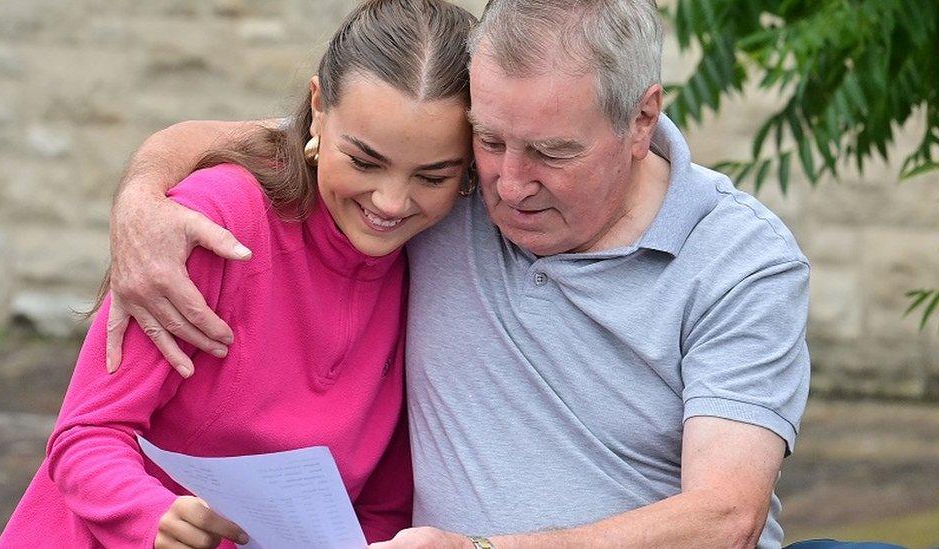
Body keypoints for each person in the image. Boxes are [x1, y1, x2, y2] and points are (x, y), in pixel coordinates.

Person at [106, 1, 812, 548]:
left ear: (640, 120)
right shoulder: (440, 186)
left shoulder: (739, 260)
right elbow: (310, 137)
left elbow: (726, 518)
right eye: (490, 138)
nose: (508, 182)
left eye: (550, 152)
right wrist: (140, 197)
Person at [0, 1, 476, 547]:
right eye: (364, 162)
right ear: (318, 108)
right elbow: (86, 434)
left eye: (433, 177)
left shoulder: (435, 261)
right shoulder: (214, 221)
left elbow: (383, 504)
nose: (391, 202)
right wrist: (150, 514)